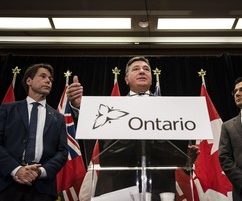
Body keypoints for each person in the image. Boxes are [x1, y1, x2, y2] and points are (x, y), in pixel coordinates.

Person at [66, 56, 200, 201]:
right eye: (136, 69)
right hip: (119, 186)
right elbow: (97, 143)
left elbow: (177, 151)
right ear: (126, 79)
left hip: (160, 188)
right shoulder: (110, 109)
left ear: (151, 78)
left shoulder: (171, 109)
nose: (142, 71)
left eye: (146, 69)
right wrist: (80, 107)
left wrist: (186, 162)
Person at [0, 63, 68, 201]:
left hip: (42, 188)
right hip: (8, 185)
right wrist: (16, 169)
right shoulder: (7, 110)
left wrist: (40, 172)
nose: (48, 80)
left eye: (50, 79)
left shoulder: (58, 118)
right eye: (43, 76)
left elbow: (62, 152)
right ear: (29, 81)